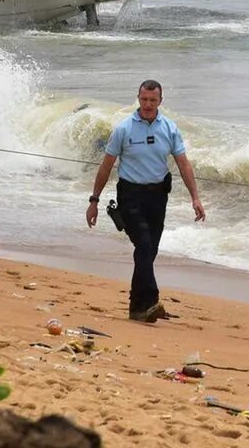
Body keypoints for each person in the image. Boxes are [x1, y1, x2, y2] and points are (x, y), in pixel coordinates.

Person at [86, 80, 205, 322]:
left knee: (149, 251)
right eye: (144, 99)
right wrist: (94, 200)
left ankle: (137, 309)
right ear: (138, 99)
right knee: (144, 246)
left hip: (158, 196)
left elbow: (183, 164)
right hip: (130, 195)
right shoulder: (124, 129)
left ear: (161, 101)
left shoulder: (169, 128)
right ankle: (152, 300)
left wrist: (195, 198)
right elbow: (106, 166)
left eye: (152, 100)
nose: (148, 104)